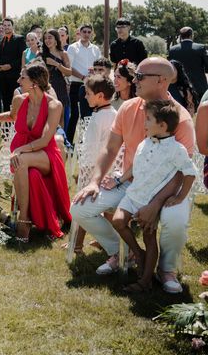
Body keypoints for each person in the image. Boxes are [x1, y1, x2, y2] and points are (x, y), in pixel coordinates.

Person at [71, 57, 195, 293]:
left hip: (167, 189)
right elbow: (110, 149)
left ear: (161, 80)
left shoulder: (180, 118)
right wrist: (94, 182)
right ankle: (120, 253)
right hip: (130, 185)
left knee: (176, 219)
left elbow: (182, 171)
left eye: (139, 76)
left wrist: (157, 202)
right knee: (79, 207)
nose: (133, 79)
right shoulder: (127, 107)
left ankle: (166, 269)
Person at [109, 100, 195, 292]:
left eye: (148, 119)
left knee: (149, 237)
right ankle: (138, 254)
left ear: (162, 125)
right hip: (133, 195)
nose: (144, 123)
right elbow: (135, 166)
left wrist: (180, 197)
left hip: (149, 202)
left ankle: (145, 280)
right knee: (118, 221)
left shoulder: (176, 149)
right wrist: (120, 180)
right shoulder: (145, 142)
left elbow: (190, 173)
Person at [0, 63, 71, 241]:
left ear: (34, 83)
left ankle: (23, 221)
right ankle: (29, 220)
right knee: (28, 171)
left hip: (46, 154)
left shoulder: (54, 105)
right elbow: (12, 115)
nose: (18, 80)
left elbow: (46, 139)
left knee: (20, 160)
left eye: (22, 77)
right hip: (23, 153)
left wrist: (19, 150)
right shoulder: (20, 99)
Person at [70, 75, 117, 254]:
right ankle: (107, 242)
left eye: (88, 93)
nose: (85, 96)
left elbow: (90, 149)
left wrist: (84, 171)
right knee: (108, 211)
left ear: (99, 96)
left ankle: (78, 244)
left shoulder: (98, 118)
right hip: (110, 169)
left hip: (93, 170)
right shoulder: (113, 114)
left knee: (82, 205)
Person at [66, 24, 101, 142]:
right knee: (75, 114)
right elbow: (69, 67)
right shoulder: (72, 47)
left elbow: (99, 66)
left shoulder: (95, 49)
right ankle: (69, 142)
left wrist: (93, 74)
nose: (86, 34)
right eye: (84, 32)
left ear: (91, 33)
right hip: (76, 84)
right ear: (79, 33)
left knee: (88, 115)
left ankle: (86, 141)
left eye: (88, 32)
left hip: (91, 86)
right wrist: (82, 77)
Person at [168, 26, 208, 100]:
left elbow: (170, 68)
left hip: (179, 87)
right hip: (199, 85)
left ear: (180, 36)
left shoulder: (172, 50)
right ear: (191, 35)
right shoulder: (200, 48)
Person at [41, 29, 72, 128]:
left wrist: (56, 64)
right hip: (46, 88)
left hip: (60, 86)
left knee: (60, 117)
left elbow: (69, 72)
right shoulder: (41, 55)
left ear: (56, 39)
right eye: (45, 38)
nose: (47, 40)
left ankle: (61, 140)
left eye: (50, 37)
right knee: (45, 117)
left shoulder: (63, 54)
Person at [0, 18, 26, 111]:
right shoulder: (0, 40)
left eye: (8, 25)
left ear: (12, 26)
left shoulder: (19, 39)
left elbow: (22, 57)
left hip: (14, 77)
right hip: (2, 77)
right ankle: (7, 122)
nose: (6, 27)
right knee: (5, 101)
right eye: (4, 25)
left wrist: (10, 65)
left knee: (16, 101)